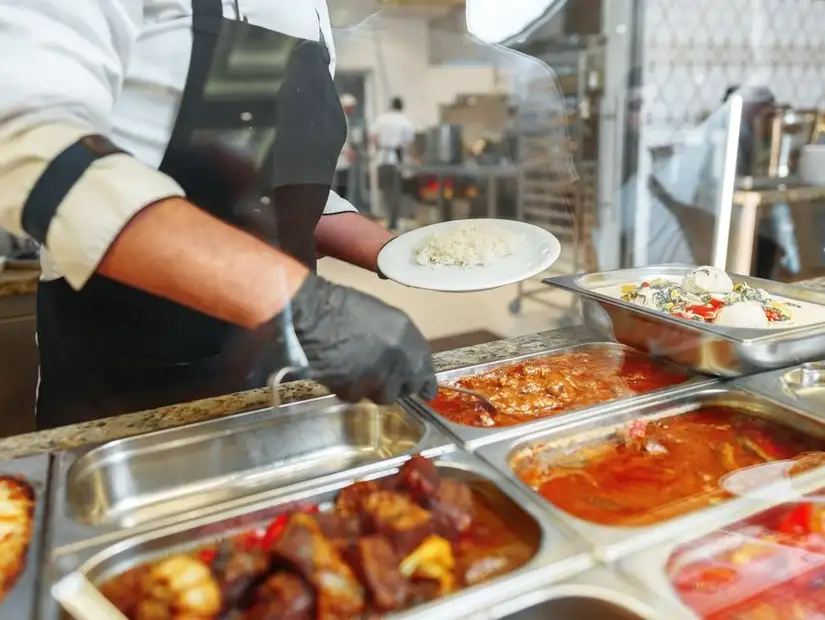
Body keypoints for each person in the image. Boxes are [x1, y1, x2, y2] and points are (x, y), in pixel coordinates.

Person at [0, 1, 437, 430]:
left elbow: (271, 191)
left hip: (277, 374)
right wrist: (306, 306)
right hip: (131, 382)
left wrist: (399, 252)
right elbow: (30, 146)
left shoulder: (310, 11)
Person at [372, 97, 414, 229]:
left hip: (381, 159)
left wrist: (379, 148)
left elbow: (373, 137)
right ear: (401, 107)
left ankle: (386, 219)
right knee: (395, 191)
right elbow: (409, 143)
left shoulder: (381, 119)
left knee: (384, 191)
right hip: (396, 160)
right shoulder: (404, 121)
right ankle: (393, 222)